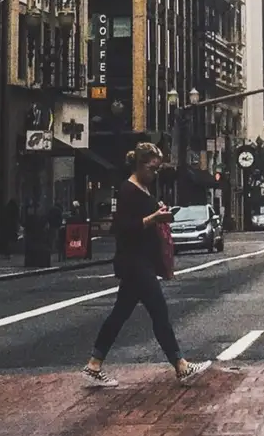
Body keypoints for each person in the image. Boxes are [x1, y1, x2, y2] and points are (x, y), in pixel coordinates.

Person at [82, 143, 209, 389]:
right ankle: (181, 366)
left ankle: (94, 365)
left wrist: (160, 213)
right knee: (159, 312)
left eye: (158, 169)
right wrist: (154, 218)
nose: (155, 173)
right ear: (140, 165)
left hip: (141, 262)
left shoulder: (142, 188)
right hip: (135, 262)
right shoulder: (128, 190)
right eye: (152, 168)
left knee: (119, 314)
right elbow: (121, 228)